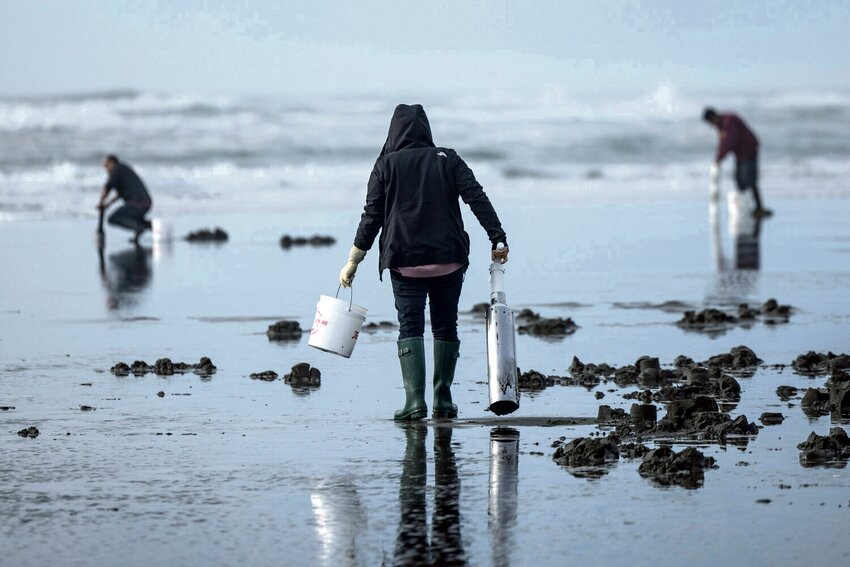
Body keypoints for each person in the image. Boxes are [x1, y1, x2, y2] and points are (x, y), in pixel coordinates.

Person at [339, 104, 509, 421]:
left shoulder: (385, 165)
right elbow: (477, 197)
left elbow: (371, 216)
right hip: (449, 259)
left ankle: (414, 403)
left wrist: (353, 260)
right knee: (446, 326)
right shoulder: (447, 159)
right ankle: (443, 399)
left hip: (405, 262)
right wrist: (497, 237)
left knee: (410, 326)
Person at [702, 108, 771, 217]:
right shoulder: (720, 126)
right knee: (739, 179)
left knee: (749, 179)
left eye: (710, 122)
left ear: (713, 117)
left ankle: (759, 208)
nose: (711, 125)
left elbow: (730, 140)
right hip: (740, 153)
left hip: (749, 149)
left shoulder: (728, 121)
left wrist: (719, 158)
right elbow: (723, 143)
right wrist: (718, 157)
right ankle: (744, 207)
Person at [97, 155, 153, 243]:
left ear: (112, 163)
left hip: (137, 203)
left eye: (106, 165)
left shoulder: (116, 170)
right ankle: (153, 227)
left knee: (113, 218)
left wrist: (100, 202)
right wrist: (107, 204)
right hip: (146, 203)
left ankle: (139, 228)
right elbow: (120, 194)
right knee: (134, 218)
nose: (105, 169)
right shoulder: (123, 169)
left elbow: (106, 188)